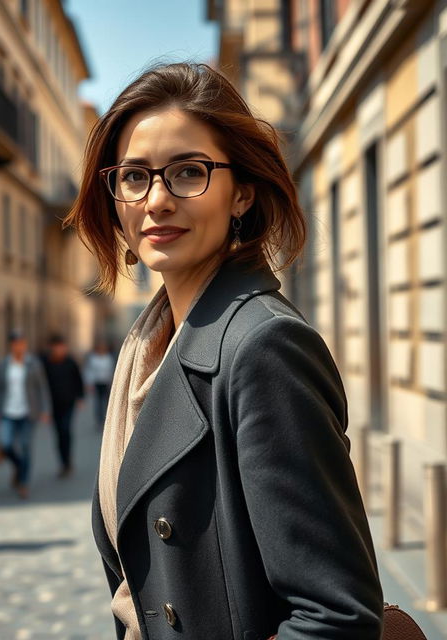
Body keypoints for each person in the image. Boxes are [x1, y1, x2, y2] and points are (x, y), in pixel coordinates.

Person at [65, 62, 383, 639]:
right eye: (134, 176)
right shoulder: (147, 349)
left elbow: (335, 616)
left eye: (188, 172)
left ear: (241, 194)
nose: (156, 200)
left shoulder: (263, 346)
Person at [0, 329, 51, 499]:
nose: (19, 347)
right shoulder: (2, 365)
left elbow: (42, 387)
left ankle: (23, 482)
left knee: (25, 447)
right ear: (11, 345)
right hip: (7, 412)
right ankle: (18, 466)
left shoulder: (33, 364)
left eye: (22, 343)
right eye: (16, 344)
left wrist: (45, 410)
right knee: (6, 443)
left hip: (28, 413)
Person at [40, 334, 85, 477]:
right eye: (57, 347)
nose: (60, 350)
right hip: (53, 405)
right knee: (59, 434)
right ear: (52, 348)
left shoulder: (70, 362)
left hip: (69, 403)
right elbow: (41, 385)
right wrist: (43, 408)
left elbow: (78, 380)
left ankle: (67, 462)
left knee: (65, 430)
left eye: (62, 347)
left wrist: (80, 397)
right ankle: (63, 463)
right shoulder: (46, 364)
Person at [85, 340, 115, 430]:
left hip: (106, 383)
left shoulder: (108, 358)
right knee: (98, 403)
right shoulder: (93, 358)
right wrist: (89, 383)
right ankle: (99, 420)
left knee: (106, 402)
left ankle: (106, 420)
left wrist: (111, 381)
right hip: (97, 383)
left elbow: (111, 370)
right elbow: (89, 371)